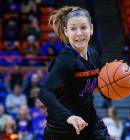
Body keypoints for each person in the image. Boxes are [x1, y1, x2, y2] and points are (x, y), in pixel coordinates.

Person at [38, 6, 110, 140]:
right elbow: (44, 93)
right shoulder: (66, 59)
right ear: (66, 31)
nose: (79, 33)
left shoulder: (94, 54)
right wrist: (69, 116)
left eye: (83, 27)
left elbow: (103, 87)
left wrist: (112, 80)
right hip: (62, 129)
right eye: (73, 28)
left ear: (91, 29)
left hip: (89, 122)